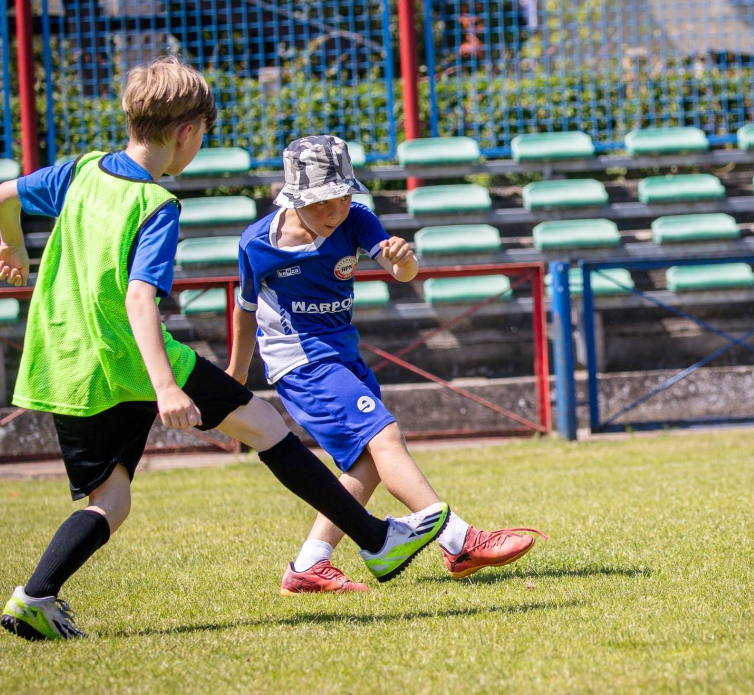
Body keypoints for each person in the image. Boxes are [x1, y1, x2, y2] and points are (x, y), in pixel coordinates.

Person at [0, 58, 448, 641]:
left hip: (67, 368)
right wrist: (163, 386)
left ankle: (34, 596)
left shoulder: (79, 173)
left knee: (111, 501)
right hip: (133, 359)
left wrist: (13, 246)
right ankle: (376, 542)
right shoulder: (155, 206)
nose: (199, 146)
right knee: (264, 423)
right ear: (186, 131)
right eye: (202, 136)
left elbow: (3, 193)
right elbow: (138, 301)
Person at [227, 135, 545, 595]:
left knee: (367, 462)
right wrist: (237, 375)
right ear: (293, 198)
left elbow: (403, 272)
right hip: (301, 361)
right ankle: (460, 541)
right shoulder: (257, 242)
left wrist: (404, 260)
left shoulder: (356, 220)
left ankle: (309, 564)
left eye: (342, 198)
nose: (335, 211)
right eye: (321, 204)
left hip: (342, 353)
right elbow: (244, 307)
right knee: (384, 436)